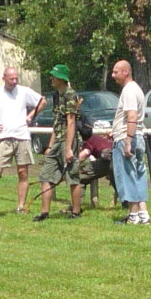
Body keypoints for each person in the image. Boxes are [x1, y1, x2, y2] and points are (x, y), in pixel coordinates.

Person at [0, 66, 43, 213]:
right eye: (11, 79)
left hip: (22, 137)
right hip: (4, 139)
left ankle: (21, 207)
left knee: (23, 173)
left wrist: (31, 115)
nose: (14, 81)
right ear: (4, 79)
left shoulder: (24, 91)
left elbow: (42, 101)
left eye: (16, 79)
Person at [35, 66, 88, 221]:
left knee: (72, 176)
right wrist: (50, 146)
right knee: (46, 175)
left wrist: (68, 148)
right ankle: (44, 213)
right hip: (57, 140)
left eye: (54, 76)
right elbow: (57, 122)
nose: (51, 78)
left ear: (62, 78)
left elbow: (71, 122)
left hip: (68, 141)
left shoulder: (70, 94)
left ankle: (76, 212)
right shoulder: (57, 95)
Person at [109, 58, 149, 225]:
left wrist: (127, 141)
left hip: (128, 138)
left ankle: (133, 215)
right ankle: (143, 214)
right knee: (139, 175)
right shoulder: (136, 89)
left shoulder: (129, 90)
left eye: (115, 72)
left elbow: (132, 116)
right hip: (137, 136)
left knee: (128, 176)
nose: (112, 75)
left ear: (125, 72)